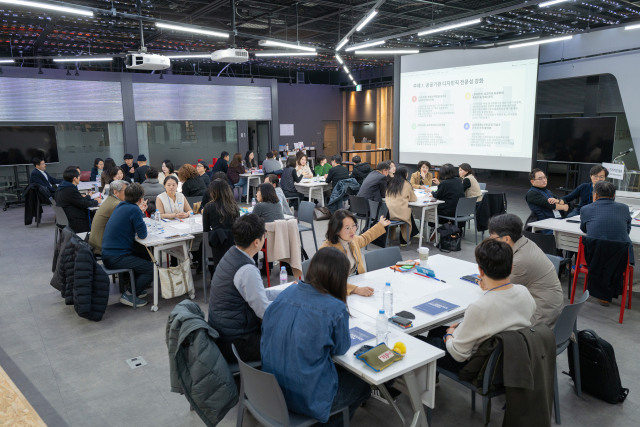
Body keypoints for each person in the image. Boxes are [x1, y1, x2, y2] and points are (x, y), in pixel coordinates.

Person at [261, 247, 371, 426]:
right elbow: (341, 349)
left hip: (271, 391)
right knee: (362, 386)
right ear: (339, 277)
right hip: (305, 398)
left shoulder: (286, 293)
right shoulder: (335, 308)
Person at [420, 239, 536, 373]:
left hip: (476, 363)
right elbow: (502, 316)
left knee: (417, 341)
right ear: (511, 267)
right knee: (436, 330)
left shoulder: (480, 307)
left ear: (480, 271)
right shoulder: (524, 292)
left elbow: (458, 355)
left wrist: (449, 336)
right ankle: (430, 381)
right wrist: (462, 325)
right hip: (507, 357)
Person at [207, 214, 270, 363]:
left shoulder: (231, 254)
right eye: (264, 235)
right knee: (289, 340)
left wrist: (285, 293)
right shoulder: (246, 269)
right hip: (237, 343)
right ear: (256, 242)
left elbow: (255, 294)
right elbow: (265, 312)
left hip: (223, 334)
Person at [489, 214, 563, 328]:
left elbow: (498, 289)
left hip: (540, 319)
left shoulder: (520, 261)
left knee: (491, 319)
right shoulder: (524, 242)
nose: (490, 241)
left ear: (506, 239)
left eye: (493, 238)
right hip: (544, 306)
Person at [580, 181, 634, 305]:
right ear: (614, 196)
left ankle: (600, 293)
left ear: (595, 196)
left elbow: (584, 229)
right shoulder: (624, 208)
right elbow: (627, 230)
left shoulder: (585, 209)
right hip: (620, 260)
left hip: (593, 258)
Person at [101, 183, 151, 308]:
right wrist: (140, 213)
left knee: (145, 254)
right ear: (140, 199)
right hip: (116, 257)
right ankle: (129, 295)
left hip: (108, 254)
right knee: (151, 269)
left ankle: (135, 289)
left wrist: (139, 212)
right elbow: (143, 235)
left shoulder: (121, 205)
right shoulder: (134, 210)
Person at [320, 209, 390, 296]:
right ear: (336, 230)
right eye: (347, 228)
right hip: (339, 291)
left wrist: (380, 225)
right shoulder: (326, 250)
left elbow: (365, 238)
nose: (352, 231)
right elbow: (328, 282)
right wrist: (355, 289)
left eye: (354, 226)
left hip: (357, 282)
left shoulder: (353, 240)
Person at [55, 167, 101, 233]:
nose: (80, 178)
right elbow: (83, 204)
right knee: (94, 215)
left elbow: (78, 200)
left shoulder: (64, 186)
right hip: (74, 220)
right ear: (74, 178)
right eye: (79, 176)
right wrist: (96, 201)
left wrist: (91, 198)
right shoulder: (70, 189)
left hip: (67, 216)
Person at [89, 180, 128, 256]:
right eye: (126, 191)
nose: (129, 193)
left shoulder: (109, 200)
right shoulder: (117, 204)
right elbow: (127, 227)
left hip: (95, 244)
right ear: (115, 192)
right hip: (102, 247)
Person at [526, 169, 569, 234]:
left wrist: (558, 201)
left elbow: (564, 201)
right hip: (545, 226)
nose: (544, 180)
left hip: (557, 221)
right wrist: (563, 207)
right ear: (533, 182)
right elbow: (550, 205)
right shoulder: (532, 193)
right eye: (540, 179)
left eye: (545, 177)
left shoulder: (547, 191)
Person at [386, 166, 419, 245]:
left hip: (389, 213)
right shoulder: (406, 184)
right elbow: (413, 199)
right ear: (405, 174)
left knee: (407, 212)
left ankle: (411, 234)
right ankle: (404, 240)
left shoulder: (391, 183)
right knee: (407, 214)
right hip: (400, 214)